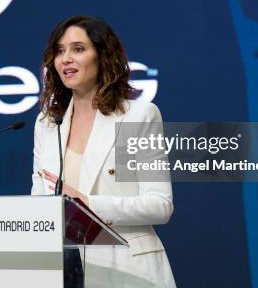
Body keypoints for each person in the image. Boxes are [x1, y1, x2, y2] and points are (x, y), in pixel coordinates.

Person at [31, 16, 176, 287]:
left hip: (129, 270)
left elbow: (160, 205)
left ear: (102, 56)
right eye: (60, 51)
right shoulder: (48, 123)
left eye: (78, 49)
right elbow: (39, 201)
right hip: (65, 271)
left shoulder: (136, 117)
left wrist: (88, 204)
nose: (66, 59)